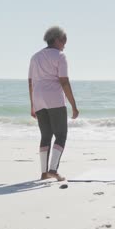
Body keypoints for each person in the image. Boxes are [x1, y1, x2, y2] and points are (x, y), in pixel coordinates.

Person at [28, 26, 79, 181]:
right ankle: (53, 170)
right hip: (54, 98)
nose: (65, 44)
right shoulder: (60, 56)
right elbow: (64, 81)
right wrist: (74, 105)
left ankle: (44, 173)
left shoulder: (35, 57)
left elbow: (30, 82)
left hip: (38, 97)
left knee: (45, 135)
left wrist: (32, 104)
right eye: (64, 40)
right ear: (56, 40)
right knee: (61, 134)